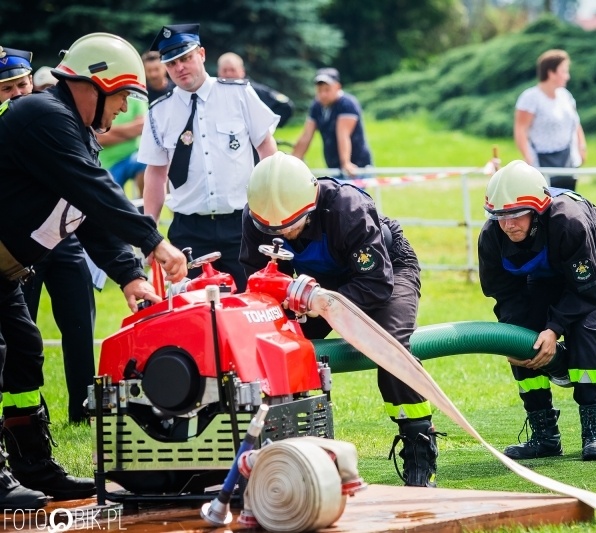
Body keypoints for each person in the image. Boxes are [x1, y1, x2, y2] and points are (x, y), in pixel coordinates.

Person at [0, 33, 187, 509]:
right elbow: (94, 189)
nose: (125, 108)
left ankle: (33, 469)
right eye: (124, 95)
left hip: (4, 274)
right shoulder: (43, 116)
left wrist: (130, 275)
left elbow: (83, 211)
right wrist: (153, 242)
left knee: (23, 350)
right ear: (98, 83)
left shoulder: (71, 131)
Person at [241, 152, 442, 487]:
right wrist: (292, 306)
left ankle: (420, 451)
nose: (283, 235)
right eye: (271, 229)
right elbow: (257, 280)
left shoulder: (348, 208)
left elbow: (377, 283)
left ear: (310, 205)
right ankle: (280, 450)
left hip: (384, 273)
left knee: (390, 348)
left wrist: (318, 303)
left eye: (291, 226)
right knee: (268, 345)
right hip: (310, 289)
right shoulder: (257, 215)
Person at [478, 161, 596, 462]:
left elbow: (585, 291)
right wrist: (517, 336)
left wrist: (554, 328)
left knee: (583, 327)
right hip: (548, 273)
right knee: (519, 336)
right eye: (500, 216)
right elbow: (506, 294)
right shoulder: (491, 238)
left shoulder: (568, 221)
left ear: (537, 209)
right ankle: (544, 436)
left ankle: (594, 434)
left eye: (517, 215)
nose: (508, 225)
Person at [139, 24, 280, 292]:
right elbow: (155, 175)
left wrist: (274, 207)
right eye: (172, 63)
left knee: (251, 305)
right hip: (189, 231)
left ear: (201, 54)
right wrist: (150, 234)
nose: (180, 68)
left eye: (186, 58)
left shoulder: (238, 94)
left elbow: (267, 151)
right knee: (192, 317)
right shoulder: (159, 112)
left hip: (242, 226)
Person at [0, 49, 99, 426]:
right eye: (6, 88)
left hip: (65, 242)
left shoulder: (52, 121)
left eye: (21, 84)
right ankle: (25, 412)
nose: (17, 93)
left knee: (79, 326)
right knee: (20, 334)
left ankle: (84, 410)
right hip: (21, 249)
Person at [514, 49, 587, 191]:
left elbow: (575, 123)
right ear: (551, 72)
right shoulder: (530, 98)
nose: (567, 76)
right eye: (564, 71)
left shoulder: (566, 96)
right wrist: (529, 158)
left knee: (568, 201)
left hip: (567, 158)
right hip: (542, 160)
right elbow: (520, 129)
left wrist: (581, 146)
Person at [292, 68, 373, 178]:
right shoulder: (316, 106)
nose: (323, 94)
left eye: (327, 90)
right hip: (334, 168)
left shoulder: (347, 104)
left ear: (338, 87)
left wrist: (346, 163)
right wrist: (292, 162)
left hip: (356, 167)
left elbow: (343, 135)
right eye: (320, 90)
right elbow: (306, 136)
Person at [217, 52, 294, 128]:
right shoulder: (214, 92)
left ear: (242, 71)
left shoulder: (254, 91)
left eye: (232, 70)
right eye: (224, 70)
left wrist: (266, 128)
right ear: (218, 72)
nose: (228, 74)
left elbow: (285, 106)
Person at [97, 98, 147, 196]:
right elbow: (98, 138)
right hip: (107, 164)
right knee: (111, 201)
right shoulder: (101, 99)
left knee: (147, 162)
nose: (124, 108)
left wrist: (110, 132)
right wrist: (131, 133)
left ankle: (143, 208)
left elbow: (143, 127)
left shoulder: (136, 97)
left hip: (133, 157)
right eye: (122, 96)